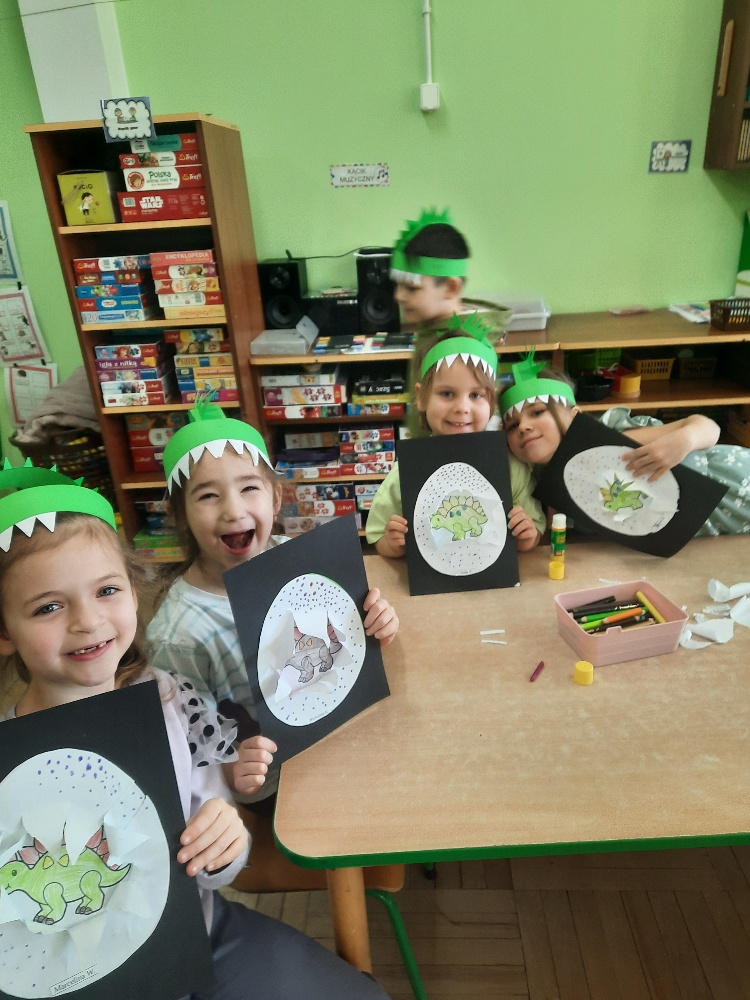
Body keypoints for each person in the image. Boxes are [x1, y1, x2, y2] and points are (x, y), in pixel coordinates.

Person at [0, 463, 390, 1000]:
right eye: (48, 606)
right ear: (4, 630)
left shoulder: (165, 698)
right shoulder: (10, 758)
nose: (87, 621)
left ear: (133, 592)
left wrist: (226, 838)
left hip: (203, 934)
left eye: (107, 590)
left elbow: (216, 852)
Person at [147, 402, 399, 805]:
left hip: (341, 733)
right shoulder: (178, 635)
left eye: (249, 488)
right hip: (277, 788)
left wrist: (375, 622)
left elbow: (343, 639)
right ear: (179, 516)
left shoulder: (294, 558)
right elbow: (185, 749)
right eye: (208, 495)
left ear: (276, 498)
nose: (234, 511)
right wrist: (230, 771)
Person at [500, 354, 750, 535]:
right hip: (714, 534)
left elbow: (709, 428)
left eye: (537, 412)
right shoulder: (546, 486)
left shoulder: (613, 432)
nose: (523, 427)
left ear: (574, 415)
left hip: (735, 483)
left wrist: (687, 438)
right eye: (512, 425)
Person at [365, 313, 546, 557]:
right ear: (421, 397)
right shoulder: (408, 470)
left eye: (476, 395)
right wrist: (392, 543)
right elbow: (378, 534)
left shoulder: (510, 467)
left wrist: (527, 536)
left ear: (491, 402)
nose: (462, 407)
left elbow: (534, 530)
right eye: (447, 394)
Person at [389, 208, 513, 438]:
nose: (399, 296)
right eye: (397, 285)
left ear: (451, 287)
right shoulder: (431, 330)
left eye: (411, 288)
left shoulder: (463, 345)